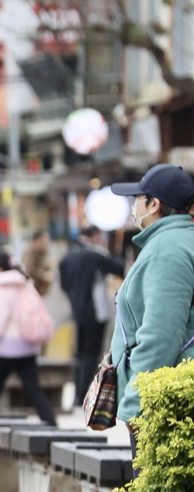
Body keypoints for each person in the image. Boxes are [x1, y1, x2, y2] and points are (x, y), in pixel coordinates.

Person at [107, 164, 194, 449]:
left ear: (154, 204)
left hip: (163, 405)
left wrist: (136, 404)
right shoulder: (178, 241)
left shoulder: (165, 249)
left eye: (139, 198)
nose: (134, 206)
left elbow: (160, 336)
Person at [0, 250, 58, 425]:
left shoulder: (3, 286)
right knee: (33, 389)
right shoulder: (25, 283)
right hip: (28, 345)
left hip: (7, 348)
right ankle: (51, 423)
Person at [58, 225, 126, 403]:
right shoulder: (94, 254)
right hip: (95, 312)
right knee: (91, 354)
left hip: (77, 311)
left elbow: (63, 284)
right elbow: (119, 267)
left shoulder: (68, 256)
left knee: (79, 354)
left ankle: (77, 395)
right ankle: (83, 394)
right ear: (95, 235)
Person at [20, 230, 54, 297]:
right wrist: (44, 275)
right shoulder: (30, 253)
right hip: (31, 290)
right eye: (44, 239)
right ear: (38, 240)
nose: (46, 241)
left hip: (37, 289)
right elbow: (30, 269)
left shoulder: (40, 252)